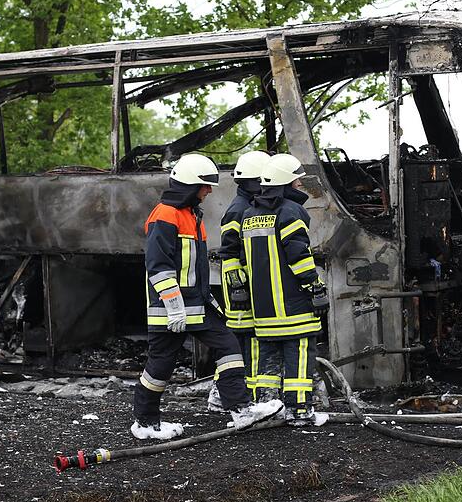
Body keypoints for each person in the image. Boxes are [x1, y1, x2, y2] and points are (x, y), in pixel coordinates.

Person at [133, 153, 282, 440]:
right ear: (190, 186)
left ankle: (240, 410)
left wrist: (208, 300)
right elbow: (159, 265)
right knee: (159, 368)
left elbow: (195, 270)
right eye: (205, 185)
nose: (209, 191)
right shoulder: (165, 215)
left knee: (228, 345)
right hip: (170, 311)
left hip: (195, 307)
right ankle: (145, 422)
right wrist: (174, 305)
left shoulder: (191, 216)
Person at [241, 153, 330, 426]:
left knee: (268, 358)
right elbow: (298, 255)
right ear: (285, 184)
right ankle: (299, 410)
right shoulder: (291, 212)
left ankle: (268, 406)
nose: (300, 186)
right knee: (300, 351)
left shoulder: (249, 214)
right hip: (293, 306)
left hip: (264, 309)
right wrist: (314, 286)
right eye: (296, 181)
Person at [208, 150, 271, 412]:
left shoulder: (249, 207)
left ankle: (225, 394)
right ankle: (225, 394)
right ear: (254, 182)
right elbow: (231, 253)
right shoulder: (238, 211)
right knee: (242, 342)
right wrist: (240, 289)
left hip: (247, 288)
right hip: (241, 292)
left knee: (245, 341)